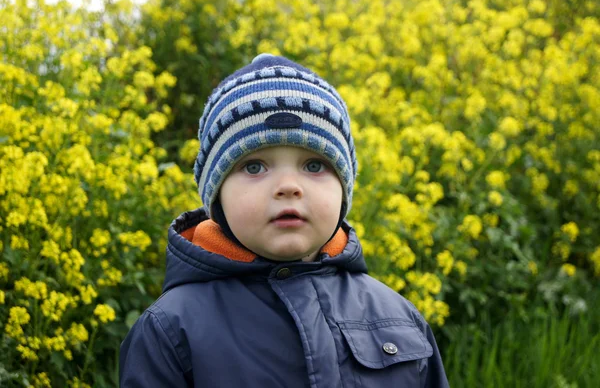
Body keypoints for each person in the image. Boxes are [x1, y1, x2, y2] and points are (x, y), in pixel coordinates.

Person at [119, 54, 449, 387]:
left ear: (343, 192)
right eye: (254, 167)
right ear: (217, 198)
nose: (288, 187)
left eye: (314, 166)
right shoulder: (170, 330)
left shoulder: (399, 318)